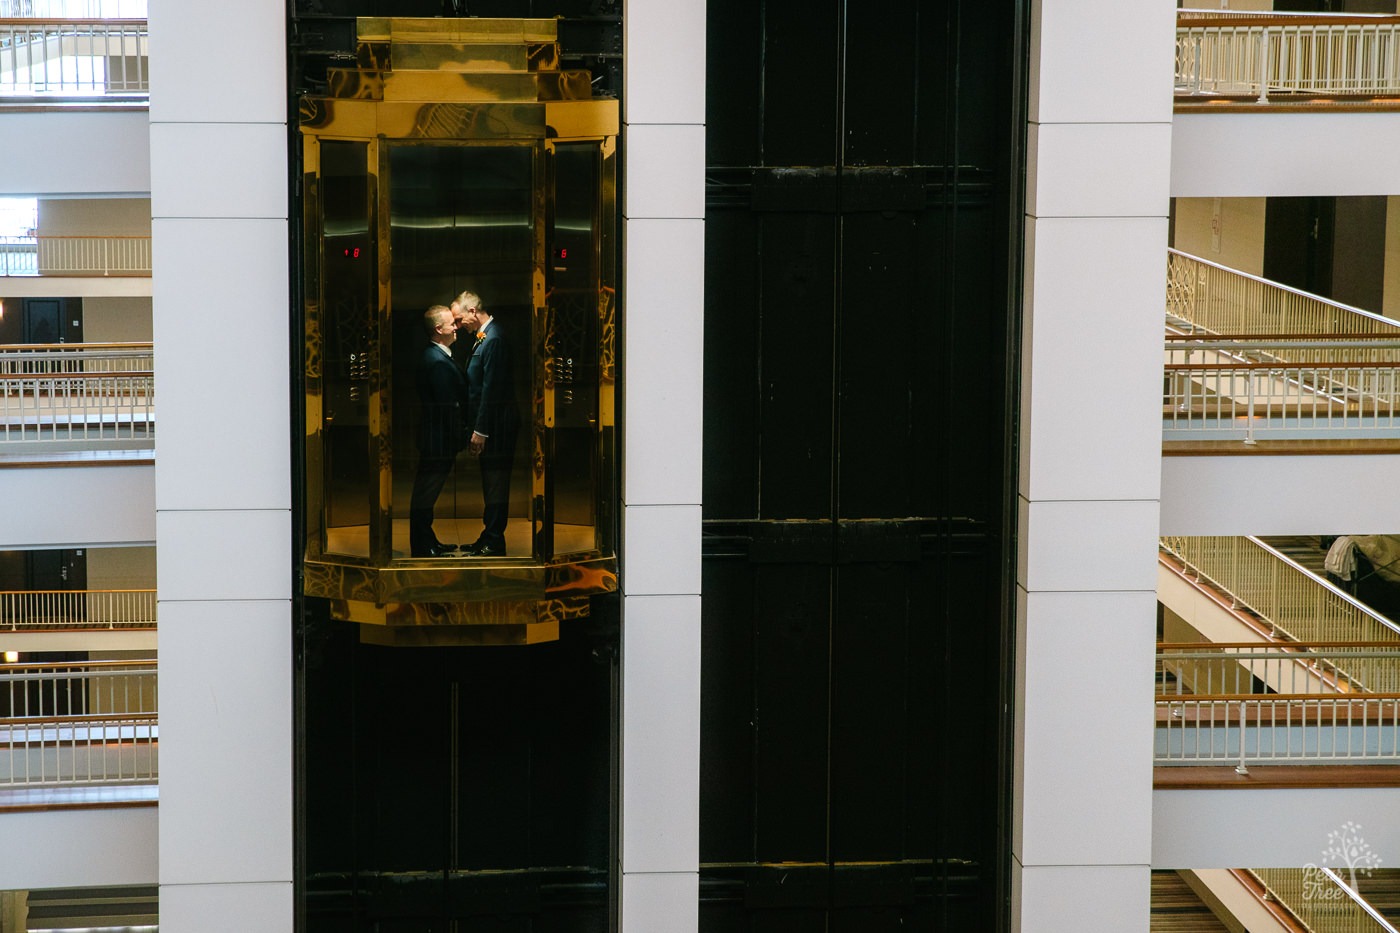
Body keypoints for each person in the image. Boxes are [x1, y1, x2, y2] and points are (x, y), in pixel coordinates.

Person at [455, 290, 519, 557]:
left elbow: (491, 390)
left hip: (498, 427)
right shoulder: (484, 338)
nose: (457, 326)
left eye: (459, 320)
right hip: (493, 425)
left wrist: (481, 430)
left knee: (496, 482)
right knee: (490, 482)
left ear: (473, 311)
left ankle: (494, 540)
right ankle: (489, 535)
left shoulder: (493, 339)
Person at [408, 304, 468, 558]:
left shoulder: (435, 355)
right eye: (451, 324)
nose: (456, 328)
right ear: (438, 329)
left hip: (435, 437)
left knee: (426, 492)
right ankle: (422, 545)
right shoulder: (437, 361)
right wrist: (461, 438)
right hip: (439, 440)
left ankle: (427, 540)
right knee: (426, 493)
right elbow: (448, 407)